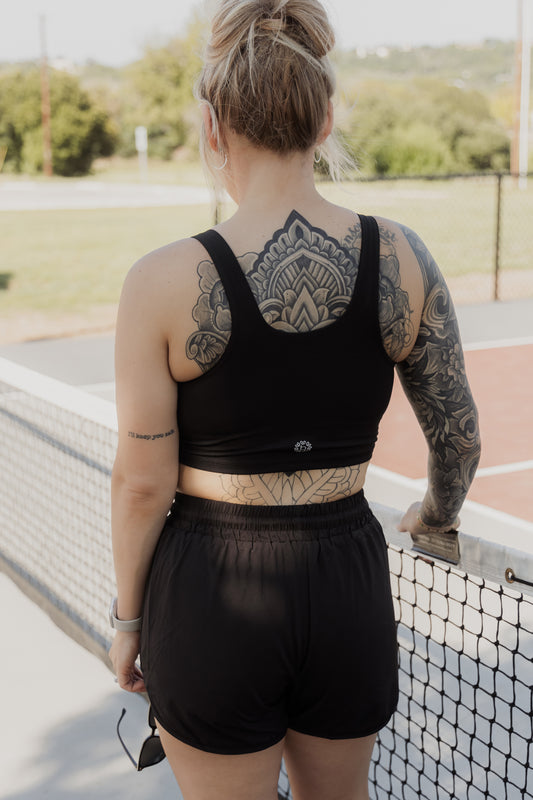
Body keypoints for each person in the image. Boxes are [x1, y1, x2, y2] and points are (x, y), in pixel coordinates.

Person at [109, 1, 481, 798]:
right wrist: (436, 519)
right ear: (324, 120)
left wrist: (129, 624)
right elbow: (457, 439)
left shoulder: (162, 281)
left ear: (213, 128)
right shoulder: (402, 258)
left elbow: (141, 485)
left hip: (210, 589)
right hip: (346, 578)